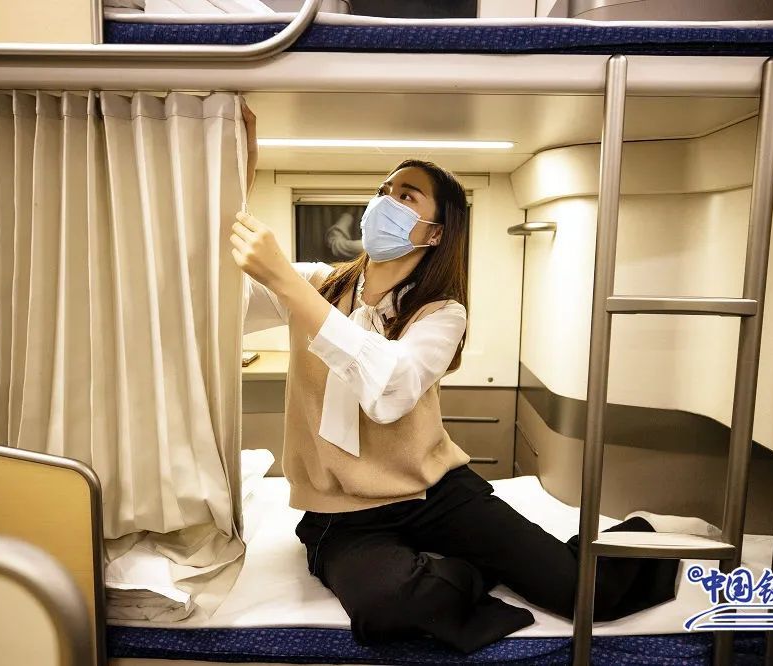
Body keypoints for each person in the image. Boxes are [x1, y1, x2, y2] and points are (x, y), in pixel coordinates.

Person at [231, 103, 679, 654]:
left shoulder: (442, 313)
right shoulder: (318, 284)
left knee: (585, 591)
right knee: (387, 607)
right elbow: (223, 299)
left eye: (406, 196)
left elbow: (390, 391)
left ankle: (642, 536)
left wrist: (287, 283)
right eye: (383, 191)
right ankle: (468, 570)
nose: (383, 202)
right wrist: (235, 182)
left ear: (436, 233)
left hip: (435, 493)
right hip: (343, 513)